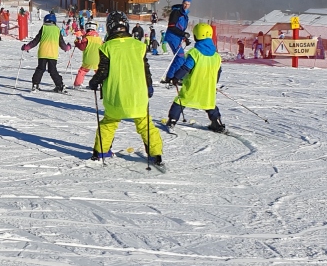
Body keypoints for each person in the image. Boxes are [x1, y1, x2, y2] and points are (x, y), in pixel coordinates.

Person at [89, 12, 163, 165]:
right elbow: (145, 69)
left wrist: (94, 82)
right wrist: (148, 86)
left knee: (109, 123)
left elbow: (103, 71)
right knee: (145, 124)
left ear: (109, 28)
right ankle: (156, 154)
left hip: (116, 96)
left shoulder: (106, 47)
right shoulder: (139, 46)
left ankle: (101, 151)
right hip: (138, 95)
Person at [163, 23, 225, 133]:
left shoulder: (195, 53)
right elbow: (218, 71)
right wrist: (214, 83)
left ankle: (172, 120)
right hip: (208, 86)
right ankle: (217, 122)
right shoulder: (216, 56)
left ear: (197, 36)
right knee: (209, 104)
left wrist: (176, 77)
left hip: (193, 85)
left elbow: (186, 67)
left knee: (181, 101)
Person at [22, 12, 71, 91]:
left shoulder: (44, 28)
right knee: (53, 70)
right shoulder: (57, 30)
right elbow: (62, 43)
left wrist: (27, 47)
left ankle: (35, 84)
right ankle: (60, 85)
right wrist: (67, 48)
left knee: (40, 69)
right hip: (52, 54)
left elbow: (36, 40)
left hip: (43, 53)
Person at [164, 0, 192, 82]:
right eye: (185, 3)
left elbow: (181, 28)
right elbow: (172, 26)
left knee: (180, 58)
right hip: (172, 36)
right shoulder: (176, 12)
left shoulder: (185, 15)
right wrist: (183, 34)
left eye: (188, 4)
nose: (186, 6)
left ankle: (172, 77)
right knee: (180, 57)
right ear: (182, 3)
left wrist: (185, 38)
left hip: (177, 37)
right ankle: (172, 77)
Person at [74, 23, 103, 88]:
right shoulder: (99, 39)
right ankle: (103, 85)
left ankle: (77, 84)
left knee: (82, 71)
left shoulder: (86, 39)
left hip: (88, 59)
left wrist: (77, 42)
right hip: (97, 60)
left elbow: (82, 47)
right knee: (99, 73)